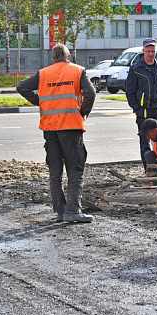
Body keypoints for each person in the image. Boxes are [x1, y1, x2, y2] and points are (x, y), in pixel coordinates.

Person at [16, 44, 96, 223]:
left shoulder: (44, 73)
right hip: (71, 127)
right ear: (68, 57)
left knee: (55, 171)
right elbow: (91, 93)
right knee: (75, 170)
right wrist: (83, 111)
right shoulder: (78, 71)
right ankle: (73, 210)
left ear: (53, 58)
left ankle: (60, 211)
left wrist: (40, 102)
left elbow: (21, 87)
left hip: (50, 128)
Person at [125, 38, 157, 168]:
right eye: (148, 51)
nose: (150, 54)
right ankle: (150, 169)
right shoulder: (136, 68)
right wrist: (137, 108)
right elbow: (130, 91)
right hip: (144, 111)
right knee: (145, 142)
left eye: (153, 51)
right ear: (143, 51)